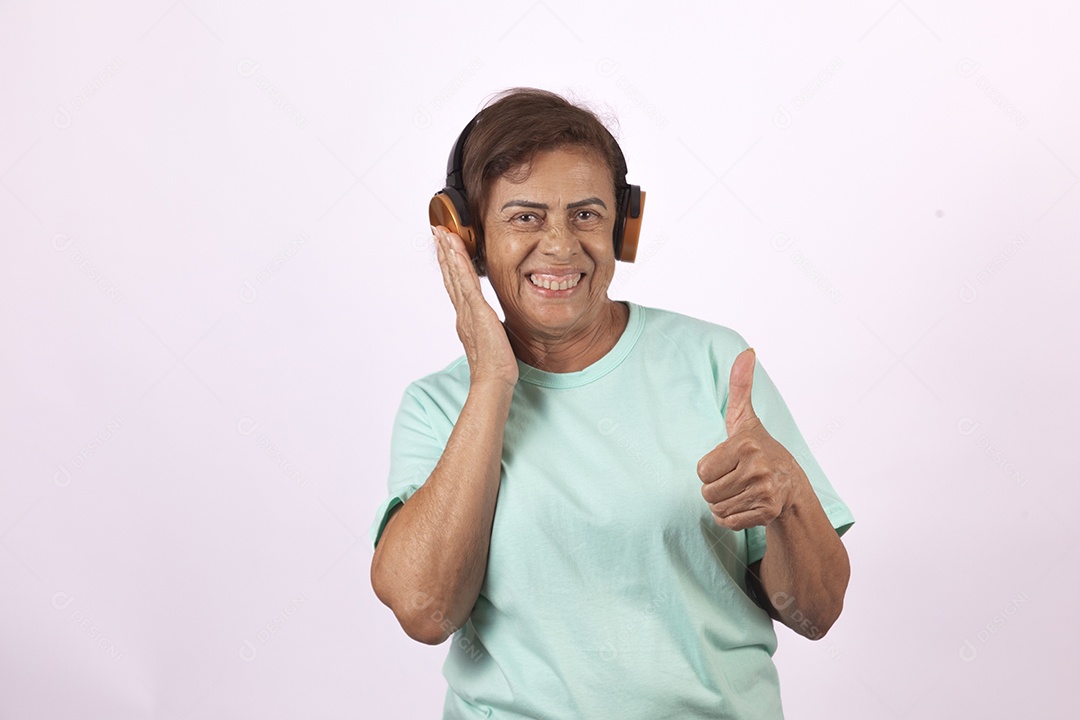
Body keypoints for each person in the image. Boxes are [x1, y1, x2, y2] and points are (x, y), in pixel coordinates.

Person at [369, 87, 854, 719]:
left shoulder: (714, 365)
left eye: (586, 214)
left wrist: (788, 499)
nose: (562, 247)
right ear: (468, 238)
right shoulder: (438, 407)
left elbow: (816, 613)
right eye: (525, 217)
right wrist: (491, 378)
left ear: (622, 227)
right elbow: (426, 609)